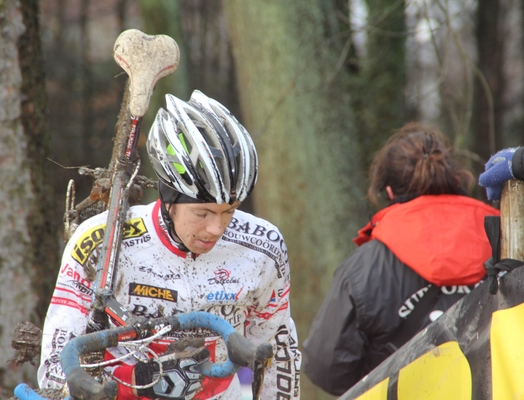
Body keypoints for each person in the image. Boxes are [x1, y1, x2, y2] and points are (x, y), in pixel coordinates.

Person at [38, 90, 301, 399]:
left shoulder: (263, 248)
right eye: (202, 213)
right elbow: (55, 366)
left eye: (229, 211)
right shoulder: (101, 242)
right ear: (169, 200)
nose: (216, 228)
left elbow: (278, 352)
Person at [301, 122, 500, 396]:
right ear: (456, 179)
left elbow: (327, 369)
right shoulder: (507, 243)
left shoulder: (362, 269)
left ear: (390, 192)